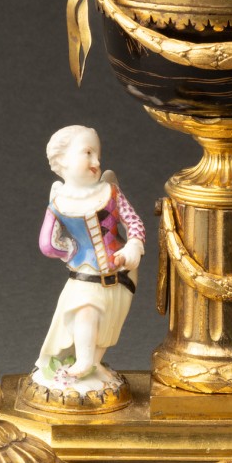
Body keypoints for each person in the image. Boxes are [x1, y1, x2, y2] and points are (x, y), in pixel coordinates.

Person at [32, 125, 145, 392]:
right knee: (85, 310)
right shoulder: (59, 202)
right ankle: (83, 362)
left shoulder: (110, 192)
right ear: (63, 159)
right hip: (85, 274)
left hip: (121, 271)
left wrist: (134, 246)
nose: (96, 161)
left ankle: (93, 363)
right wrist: (72, 252)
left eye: (98, 155)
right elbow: (47, 244)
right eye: (88, 153)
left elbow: (133, 222)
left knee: (110, 322)